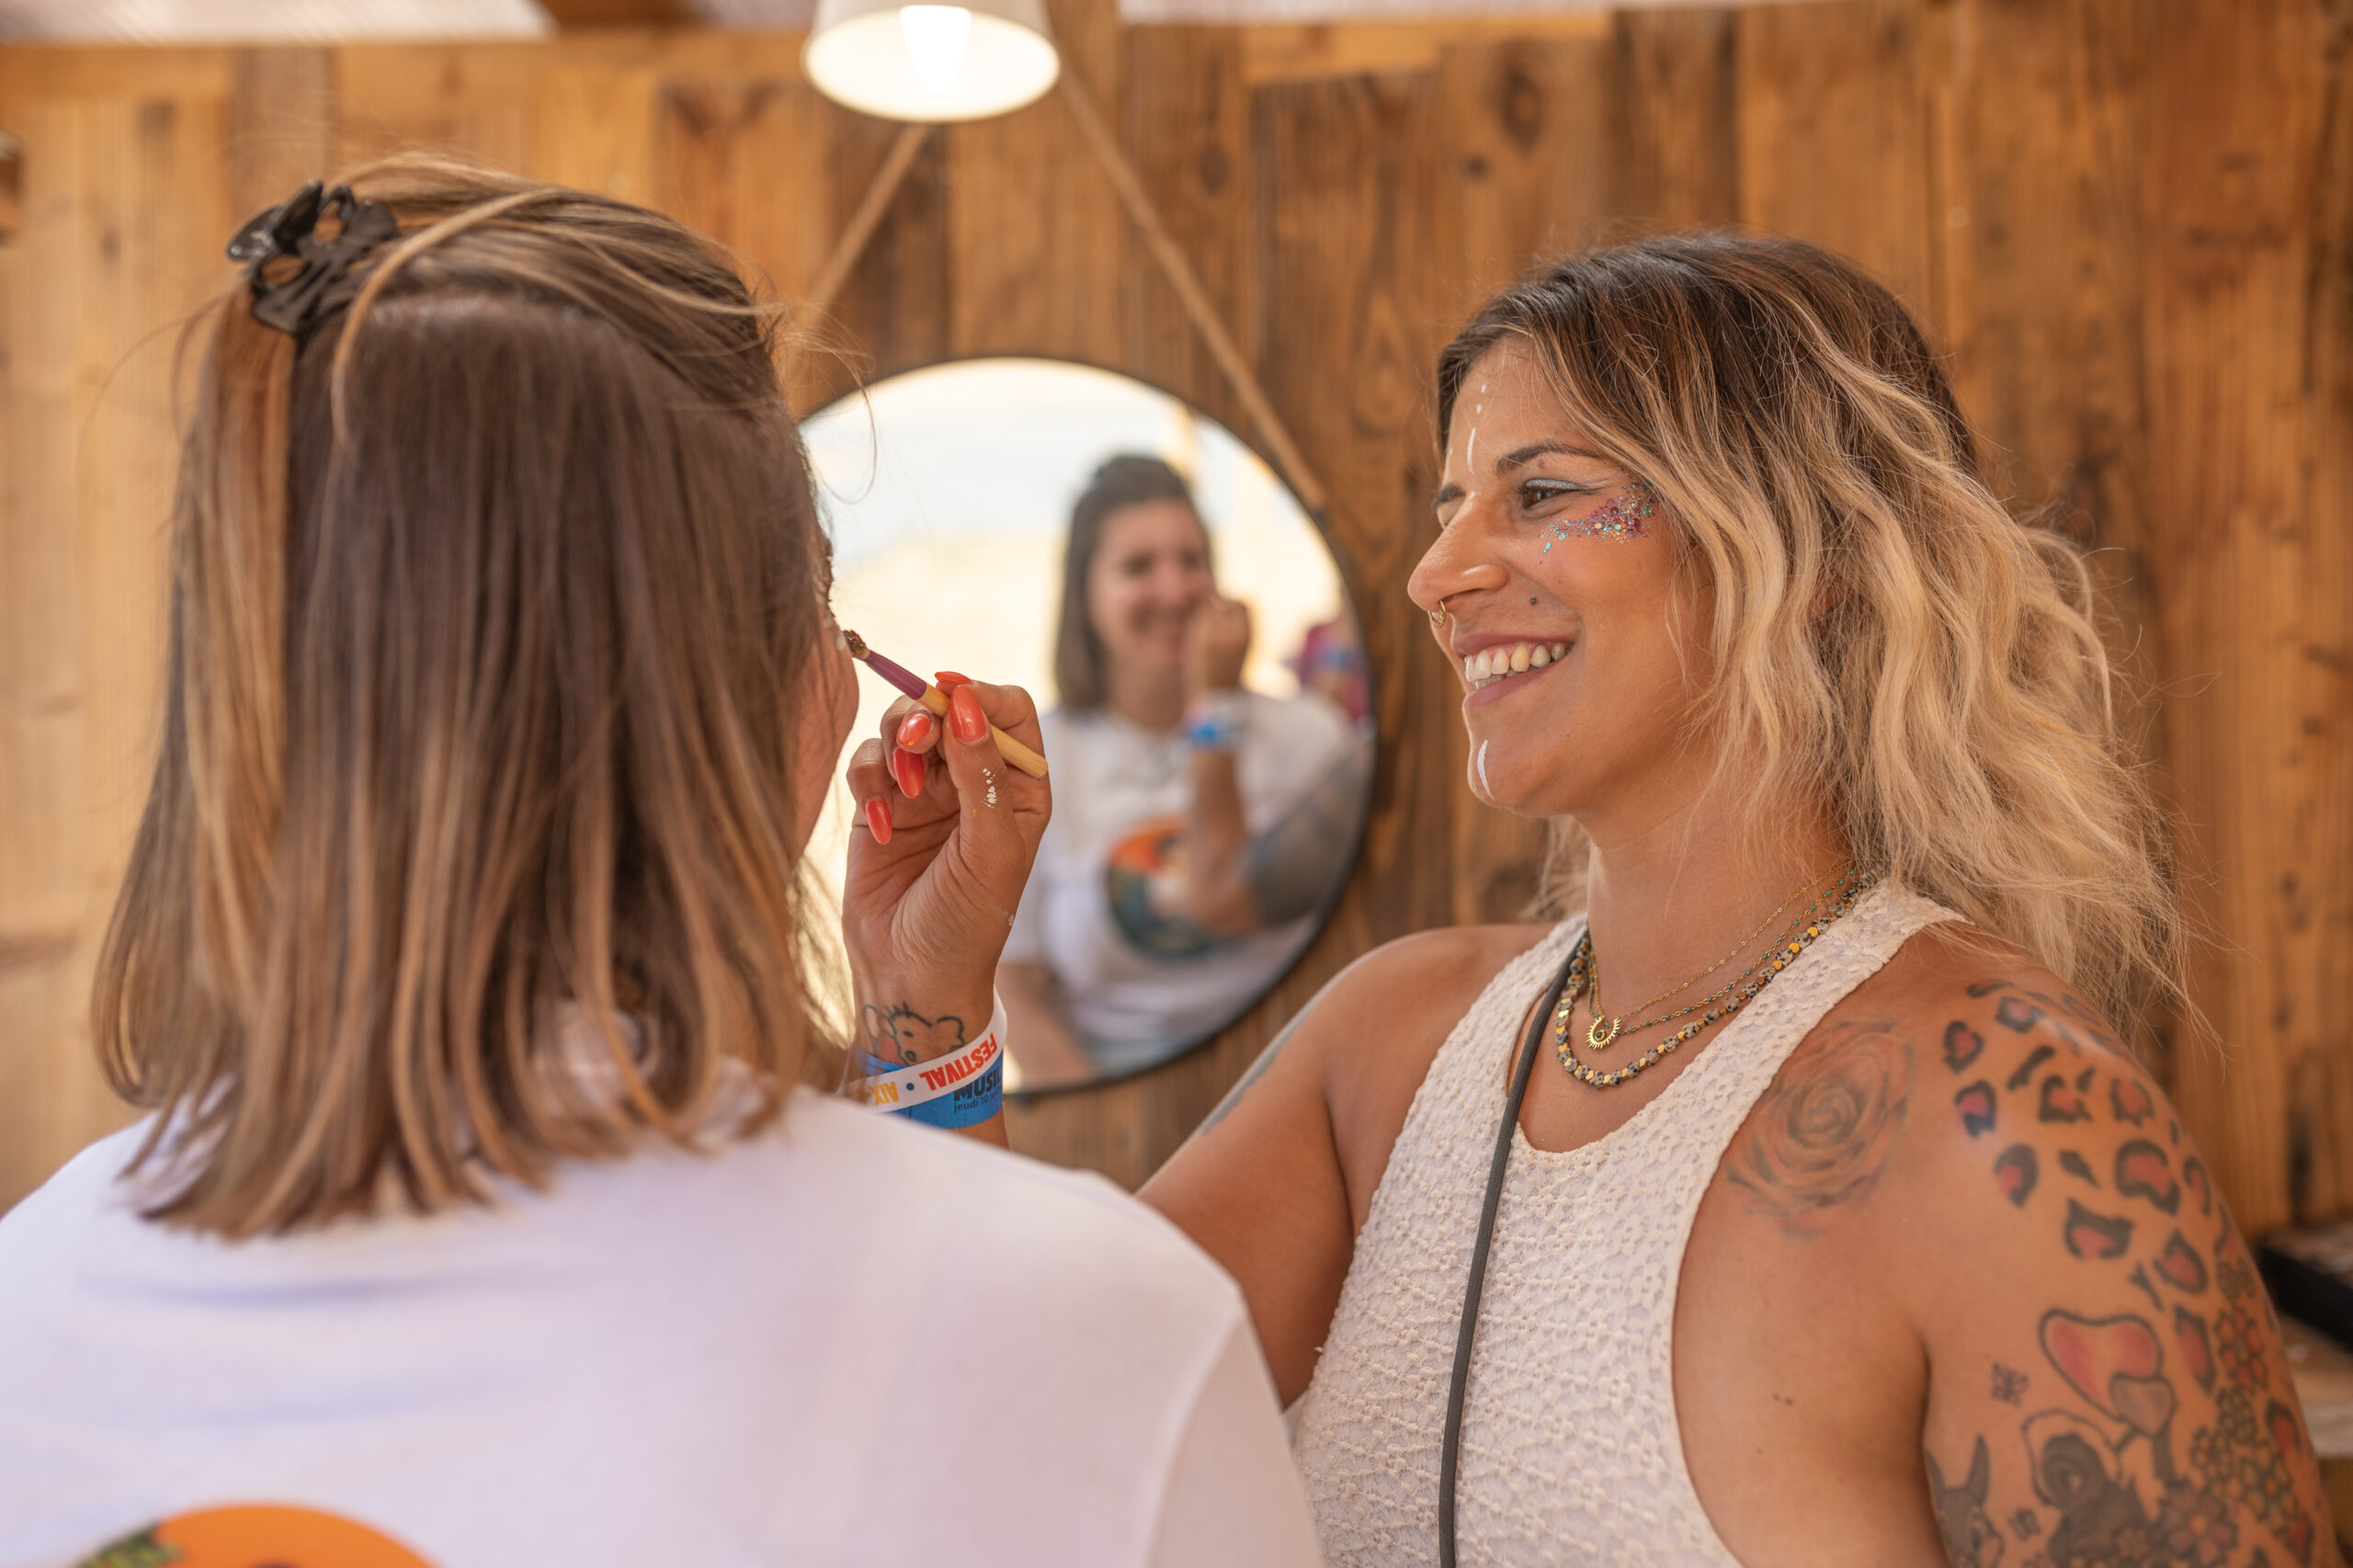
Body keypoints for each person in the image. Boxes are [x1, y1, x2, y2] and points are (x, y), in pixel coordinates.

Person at [0, 159, 1320, 1568]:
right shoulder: (1101, 1329)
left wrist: (920, 1017)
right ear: (723, 679)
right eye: (818, 589)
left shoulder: (33, 1295)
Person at [1131, 234, 2337, 1565]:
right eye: (1449, 506)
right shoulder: (1386, 1046)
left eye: (1538, 492)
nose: (1437, 575)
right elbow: (1009, 1418)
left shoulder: (2011, 1121)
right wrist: (934, 1004)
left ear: (1797, 541)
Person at [991, 455, 1361, 1087]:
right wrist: (1102, 1123)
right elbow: (1015, 987)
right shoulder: (1035, 760)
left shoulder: (1308, 737)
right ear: (1084, 599)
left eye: (1191, 562)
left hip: (1295, 1073)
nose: (1174, 590)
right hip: (1115, 1079)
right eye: (1138, 568)